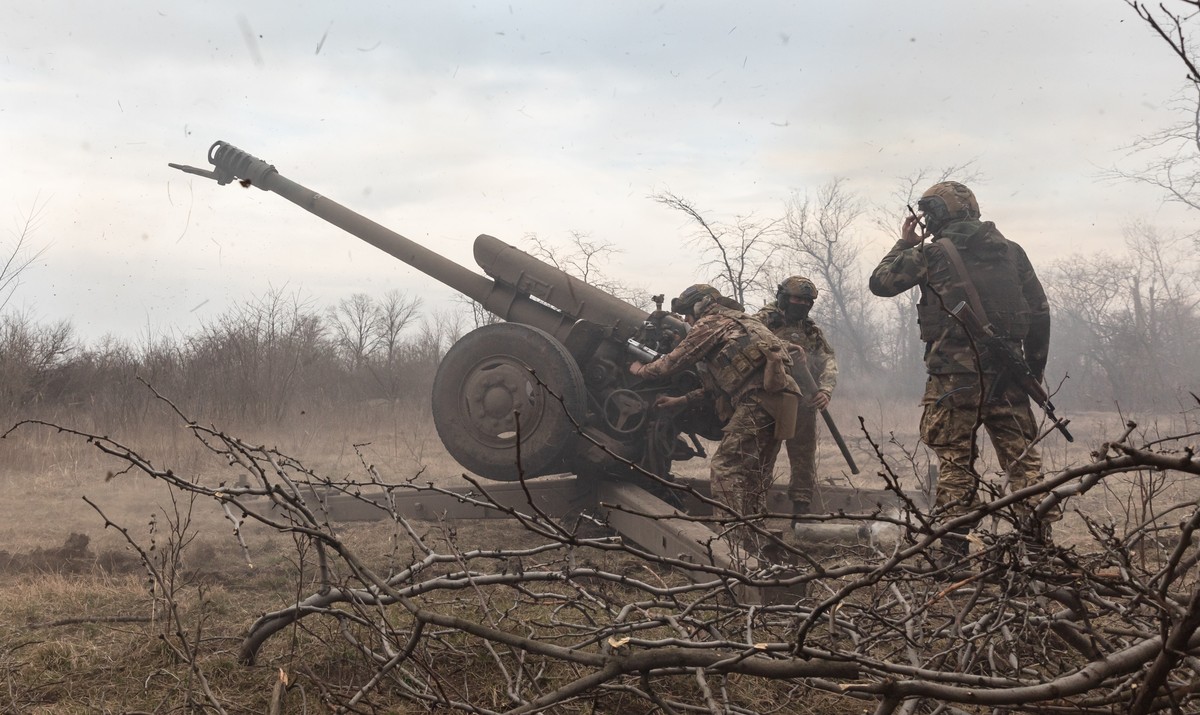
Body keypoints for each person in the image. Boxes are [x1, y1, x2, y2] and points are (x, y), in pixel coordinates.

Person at [868, 181, 1055, 553]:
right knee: (1023, 464)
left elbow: (881, 283)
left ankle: (953, 554)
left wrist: (904, 243)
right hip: (1009, 378)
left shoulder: (931, 253)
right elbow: (1040, 313)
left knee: (955, 462)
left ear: (936, 215)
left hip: (953, 382)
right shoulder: (1012, 253)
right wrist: (1032, 372)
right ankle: (1038, 552)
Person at [629, 284, 800, 555]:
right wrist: (682, 401)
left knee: (725, 469)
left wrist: (642, 370)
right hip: (784, 399)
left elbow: (673, 362)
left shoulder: (712, 322)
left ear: (700, 306)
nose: (686, 320)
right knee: (754, 475)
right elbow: (718, 386)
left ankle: (734, 547)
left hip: (759, 398)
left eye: (686, 313)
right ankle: (753, 545)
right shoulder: (740, 322)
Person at [755, 277, 839, 517]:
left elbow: (828, 360)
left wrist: (825, 390)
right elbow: (751, 339)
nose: (801, 304)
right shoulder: (764, 320)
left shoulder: (810, 330)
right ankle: (756, 505)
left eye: (806, 300)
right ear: (783, 297)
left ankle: (801, 508)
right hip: (768, 399)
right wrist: (784, 347)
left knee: (803, 454)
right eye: (796, 298)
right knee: (763, 454)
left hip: (803, 399)